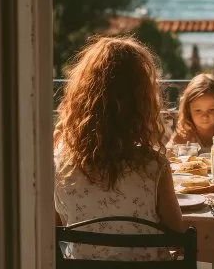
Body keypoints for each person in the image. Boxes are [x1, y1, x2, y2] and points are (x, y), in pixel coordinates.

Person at [54, 36, 183, 261]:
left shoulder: (60, 166)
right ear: (141, 105)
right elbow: (178, 237)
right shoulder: (154, 167)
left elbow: (55, 229)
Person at [167, 73, 214, 153]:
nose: (205, 117)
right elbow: (168, 155)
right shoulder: (183, 135)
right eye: (198, 110)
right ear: (188, 109)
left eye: (211, 110)